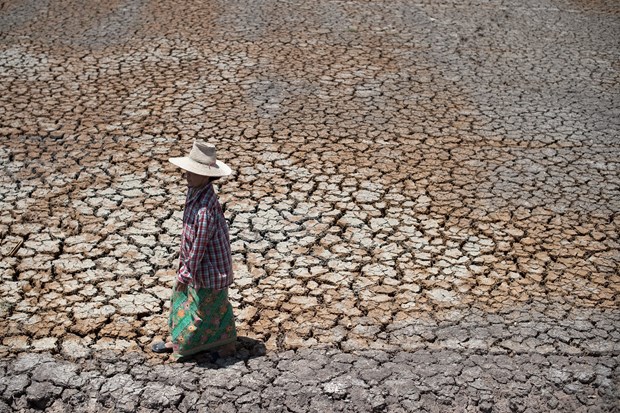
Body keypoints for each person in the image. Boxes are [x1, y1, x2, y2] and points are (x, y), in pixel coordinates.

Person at [151, 140, 236, 359]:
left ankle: (196, 345)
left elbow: (200, 245)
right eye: (187, 171)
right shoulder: (195, 192)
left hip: (208, 268)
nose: (187, 175)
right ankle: (179, 340)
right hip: (193, 263)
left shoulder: (205, 210)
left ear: (206, 175)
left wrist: (186, 273)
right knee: (184, 301)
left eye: (192, 172)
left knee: (206, 309)